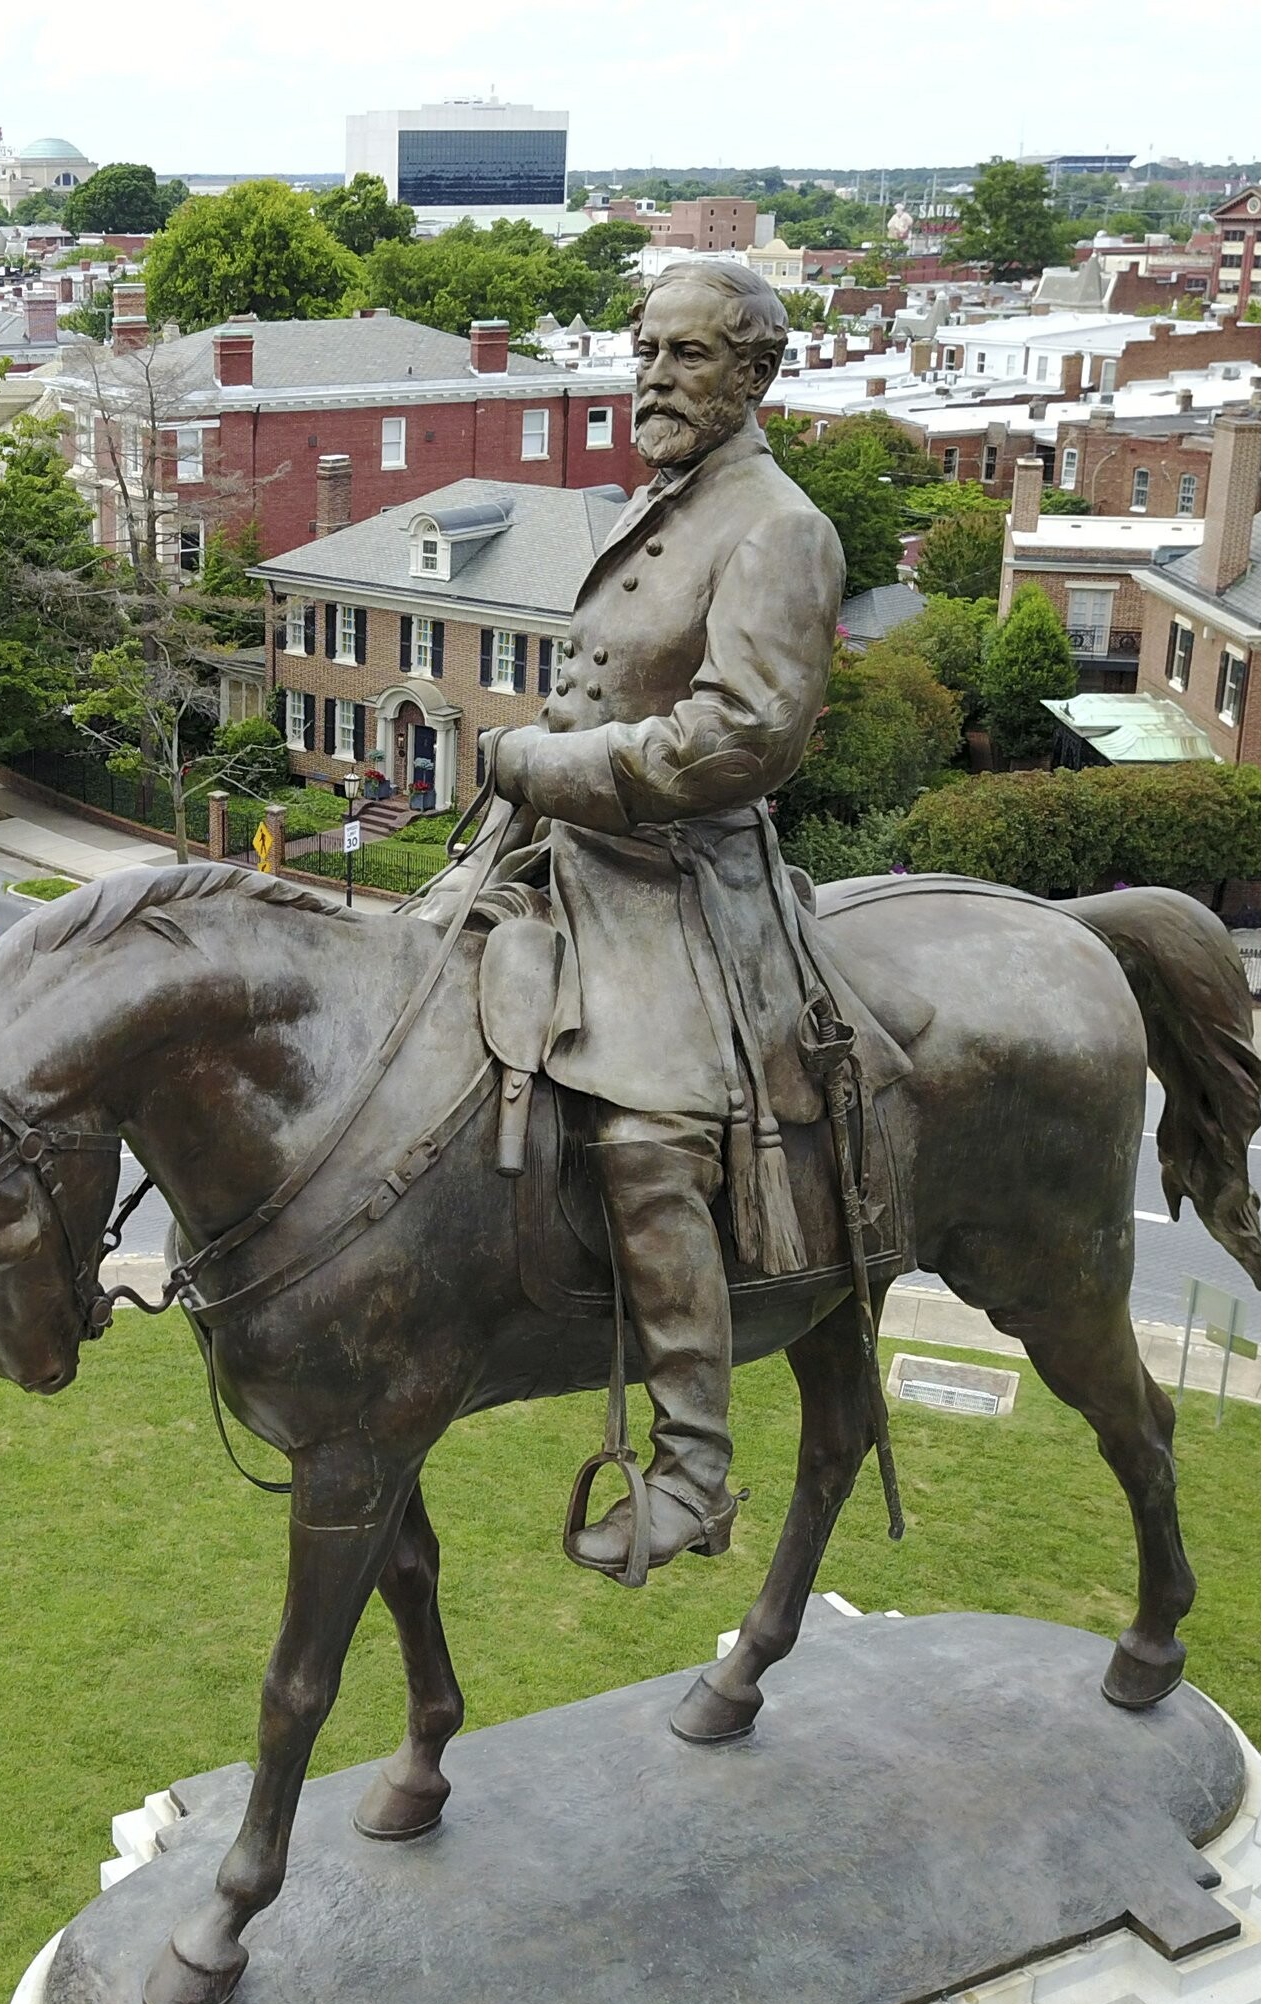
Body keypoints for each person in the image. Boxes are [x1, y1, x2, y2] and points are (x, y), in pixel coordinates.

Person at [480, 259, 845, 1581]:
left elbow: (744, 734)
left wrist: (548, 766)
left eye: (687, 356)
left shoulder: (777, 525)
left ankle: (692, 1466)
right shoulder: (669, 501)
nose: (652, 378)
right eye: (644, 351)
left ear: (752, 376)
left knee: (645, 1139)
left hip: (679, 881)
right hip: (556, 844)